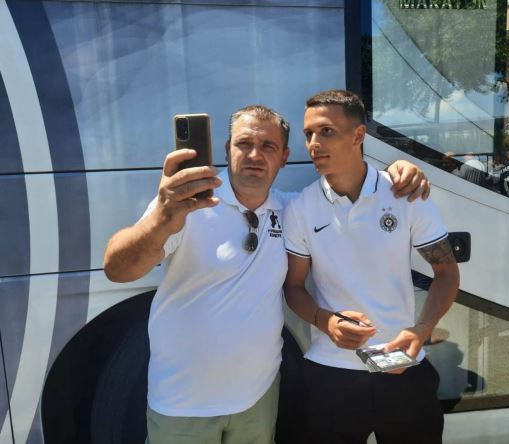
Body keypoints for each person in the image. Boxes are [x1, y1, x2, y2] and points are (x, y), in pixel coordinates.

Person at [103, 104, 431, 444]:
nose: (254, 155)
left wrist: (397, 171)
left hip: (257, 403)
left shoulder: (292, 210)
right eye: (244, 144)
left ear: (284, 157)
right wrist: (160, 218)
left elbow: (350, 190)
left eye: (268, 147)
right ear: (227, 149)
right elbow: (118, 270)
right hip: (183, 405)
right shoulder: (185, 204)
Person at [283, 90, 460, 444]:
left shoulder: (405, 194)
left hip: (401, 365)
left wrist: (421, 330)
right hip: (331, 373)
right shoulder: (301, 209)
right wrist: (324, 321)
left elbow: (446, 272)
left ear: (358, 134)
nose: (314, 144)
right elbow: (294, 287)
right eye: (308, 134)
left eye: (326, 131)